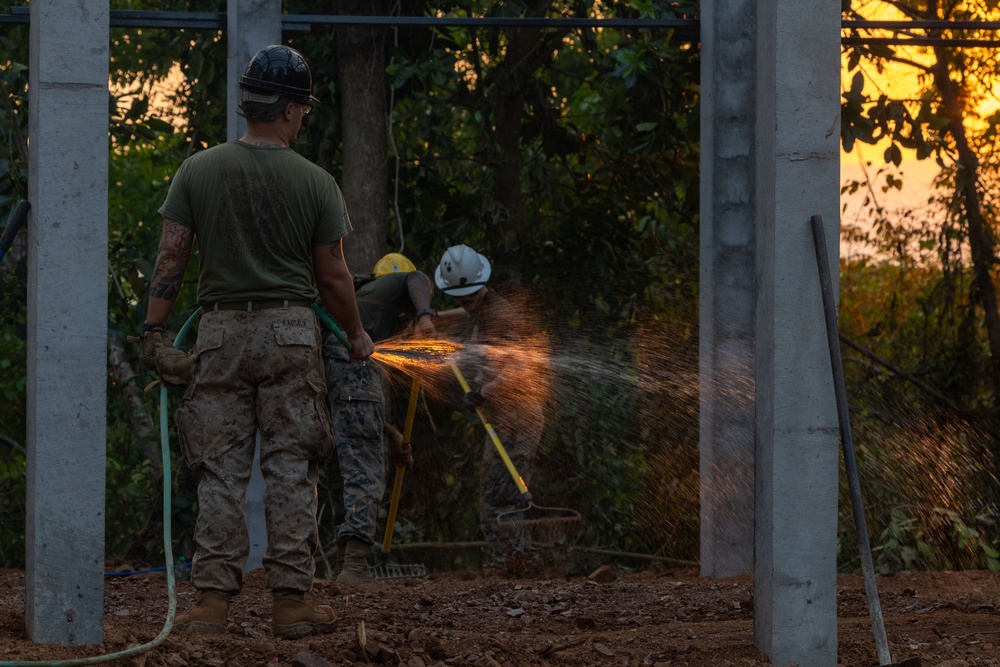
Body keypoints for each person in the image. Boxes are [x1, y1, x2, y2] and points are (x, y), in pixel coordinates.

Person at [135, 44, 374, 638]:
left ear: (248, 103)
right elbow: (334, 276)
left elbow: (172, 255)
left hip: (218, 334)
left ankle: (211, 605)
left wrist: (154, 333)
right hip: (292, 334)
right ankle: (291, 604)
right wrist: (356, 334)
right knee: (292, 466)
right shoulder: (316, 182)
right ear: (291, 109)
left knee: (219, 471)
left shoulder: (198, 169)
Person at [433, 244, 548, 573]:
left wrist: (483, 392)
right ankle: (516, 560)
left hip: (518, 420)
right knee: (498, 493)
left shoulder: (500, 317)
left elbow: (521, 369)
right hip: (505, 420)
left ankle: (511, 564)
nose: (463, 304)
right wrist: (437, 319)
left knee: (501, 497)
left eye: (467, 298)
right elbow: (468, 314)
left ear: (480, 287)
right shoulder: (482, 306)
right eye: (458, 298)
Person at [325, 252, 437, 584]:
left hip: (325, 379)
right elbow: (416, 279)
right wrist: (426, 315)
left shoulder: (362, 306)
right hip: (347, 365)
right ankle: (356, 566)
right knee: (364, 469)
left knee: (342, 467)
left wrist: (391, 435)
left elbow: (355, 419)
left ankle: (346, 563)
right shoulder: (400, 284)